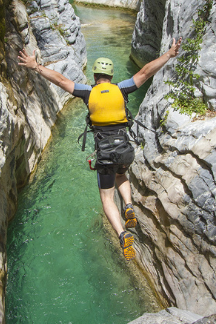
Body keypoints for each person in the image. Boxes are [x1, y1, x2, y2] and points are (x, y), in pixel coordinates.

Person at [18, 37, 182, 260]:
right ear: (112, 76)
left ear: (95, 76)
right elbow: (145, 72)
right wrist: (169, 54)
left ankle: (122, 234)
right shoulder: (122, 89)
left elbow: (60, 80)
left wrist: (36, 66)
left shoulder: (87, 92)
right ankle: (129, 205)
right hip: (125, 149)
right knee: (122, 175)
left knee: (106, 198)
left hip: (105, 155)